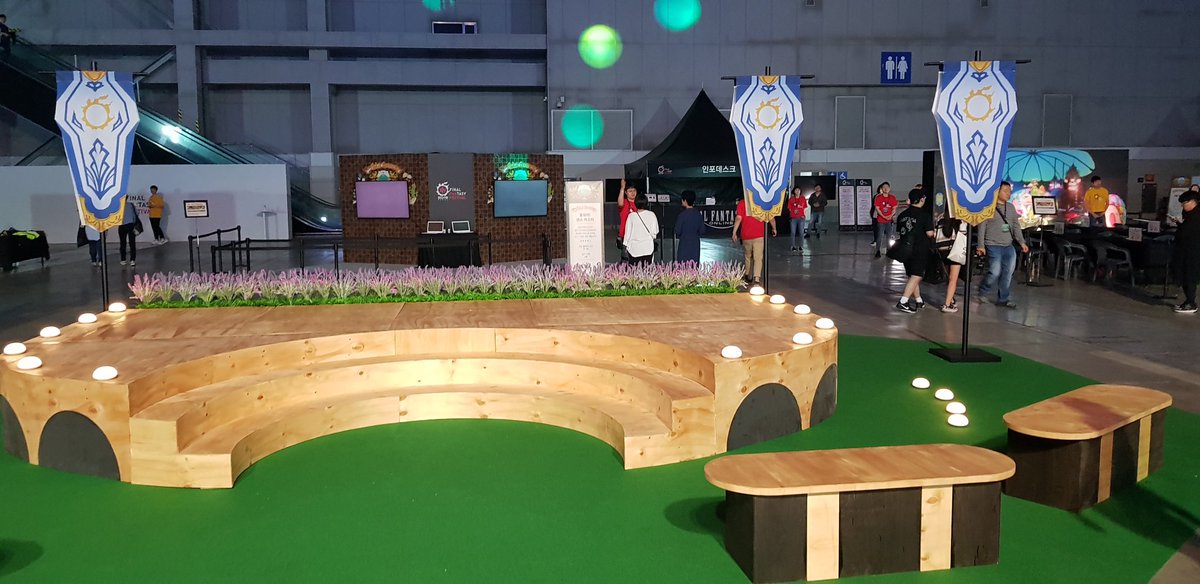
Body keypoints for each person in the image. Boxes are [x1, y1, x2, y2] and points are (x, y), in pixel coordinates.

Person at [975, 181, 1029, 308]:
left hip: (1008, 245)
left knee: (1008, 273)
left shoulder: (1011, 207)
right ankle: (983, 289)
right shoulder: (988, 207)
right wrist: (980, 245)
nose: (1008, 193)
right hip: (992, 244)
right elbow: (982, 227)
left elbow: (1015, 226)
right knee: (995, 271)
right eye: (1005, 191)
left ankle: (1003, 299)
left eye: (1009, 191)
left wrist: (1022, 242)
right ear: (997, 192)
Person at [894, 189, 935, 313]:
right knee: (917, 275)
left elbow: (900, 231)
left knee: (912, 275)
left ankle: (918, 300)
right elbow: (930, 233)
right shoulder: (924, 215)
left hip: (904, 249)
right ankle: (903, 301)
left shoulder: (902, 215)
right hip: (919, 249)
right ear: (921, 199)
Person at [732, 196, 776, 285]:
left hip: (746, 234)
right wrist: (774, 228)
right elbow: (770, 217)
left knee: (748, 256)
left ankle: (748, 275)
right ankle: (756, 278)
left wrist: (734, 232)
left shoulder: (742, 203)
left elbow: (738, 218)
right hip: (759, 234)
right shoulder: (762, 201)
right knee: (758, 257)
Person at [1171, 190, 1200, 313]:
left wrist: (1180, 227)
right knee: (1185, 276)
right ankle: (1188, 301)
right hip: (1187, 251)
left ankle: (1191, 303)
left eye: (1184, 203)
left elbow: (1189, 233)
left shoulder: (1196, 216)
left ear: (1192, 202)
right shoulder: (1190, 215)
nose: (1183, 206)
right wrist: (1179, 224)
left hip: (1192, 252)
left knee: (1189, 277)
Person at [935, 217, 967, 312]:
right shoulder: (960, 220)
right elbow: (963, 234)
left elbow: (935, 235)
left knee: (948, 277)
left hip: (942, 252)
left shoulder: (940, 220)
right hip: (955, 251)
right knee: (953, 280)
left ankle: (951, 299)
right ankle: (947, 305)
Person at [622, 193, 659, 264]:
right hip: (648, 248)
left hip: (634, 249)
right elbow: (655, 232)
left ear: (635, 203)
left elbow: (627, 233)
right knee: (647, 269)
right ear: (646, 203)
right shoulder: (652, 215)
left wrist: (625, 245)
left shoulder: (631, 216)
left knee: (634, 269)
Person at [674, 190, 704, 264]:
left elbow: (677, 230)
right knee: (694, 265)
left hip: (684, 243)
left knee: (683, 266)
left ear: (685, 201)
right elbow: (702, 230)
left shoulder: (682, 215)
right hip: (695, 243)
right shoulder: (698, 214)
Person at [873, 182, 898, 257]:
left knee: (889, 236)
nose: (886, 188)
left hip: (889, 221)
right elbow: (877, 209)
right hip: (880, 221)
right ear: (881, 189)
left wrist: (890, 216)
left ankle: (889, 250)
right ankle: (878, 251)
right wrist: (884, 216)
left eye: (887, 187)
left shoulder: (892, 197)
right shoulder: (878, 197)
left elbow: (894, 208)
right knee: (879, 236)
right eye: (884, 187)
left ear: (889, 189)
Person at [617, 179, 637, 258]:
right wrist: (622, 188)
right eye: (630, 191)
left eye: (634, 190)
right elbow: (620, 203)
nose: (633, 193)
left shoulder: (639, 203)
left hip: (637, 234)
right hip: (625, 234)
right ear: (626, 192)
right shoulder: (624, 202)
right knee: (626, 258)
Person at [117, 199, 140, 267]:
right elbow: (136, 214)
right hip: (131, 225)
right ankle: (132, 260)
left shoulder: (118, 206)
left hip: (122, 225)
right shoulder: (131, 205)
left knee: (122, 243)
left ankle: (123, 259)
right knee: (132, 243)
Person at [787, 186, 808, 253]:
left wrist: (802, 213)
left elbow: (805, 207)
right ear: (794, 191)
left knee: (801, 232)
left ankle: (801, 246)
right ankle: (793, 246)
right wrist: (793, 213)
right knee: (793, 232)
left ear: (800, 191)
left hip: (801, 218)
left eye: (799, 190)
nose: (797, 191)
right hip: (793, 218)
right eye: (796, 190)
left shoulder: (803, 198)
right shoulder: (791, 199)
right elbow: (789, 208)